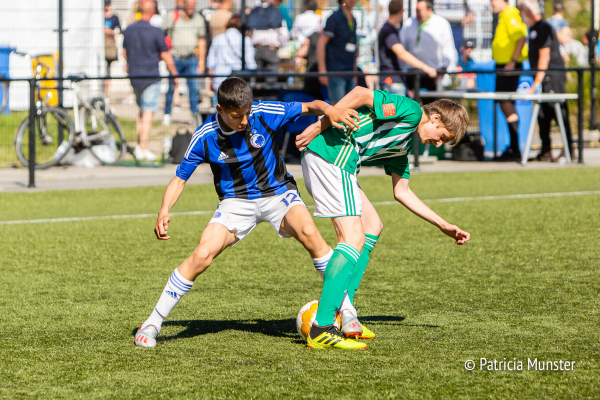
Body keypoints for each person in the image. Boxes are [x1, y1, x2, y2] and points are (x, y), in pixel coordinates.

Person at [134, 77, 366, 350]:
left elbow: (310, 105)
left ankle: (348, 311)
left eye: (246, 112)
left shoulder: (263, 112)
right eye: (236, 116)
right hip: (235, 203)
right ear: (220, 109)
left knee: (309, 232)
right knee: (202, 254)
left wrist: (331, 110)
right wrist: (164, 209)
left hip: (278, 193)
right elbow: (180, 178)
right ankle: (152, 322)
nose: (244, 120)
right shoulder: (205, 135)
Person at [295, 86, 470, 348]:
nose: (438, 143)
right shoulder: (410, 111)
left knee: (372, 226)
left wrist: (443, 225)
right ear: (435, 119)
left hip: (339, 165)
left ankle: (347, 312)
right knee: (352, 237)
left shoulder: (403, 144)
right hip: (331, 157)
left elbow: (403, 192)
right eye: (443, 136)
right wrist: (323, 124)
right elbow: (361, 94)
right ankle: (322, 326)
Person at [122, 0, 179, 161]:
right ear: (153, 10)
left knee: (141, 111)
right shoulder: (156, 32)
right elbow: (165, 55)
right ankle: (143, 148)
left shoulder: (129, 29)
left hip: (134, 76)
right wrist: (175, 75)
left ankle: (140, 146)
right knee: (148, 112)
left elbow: (125, 53)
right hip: (151, 77)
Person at [518, 0, 574, 162]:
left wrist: (536, 83)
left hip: (552, 77)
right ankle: (546, 150)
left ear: (529, 12)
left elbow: (544, 57)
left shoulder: (544, 28)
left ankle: (569, 150)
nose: (521, 15)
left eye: (522, 11)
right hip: (543, 78)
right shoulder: (533, 29)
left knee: (558, 111)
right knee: (543, 115)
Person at [490, 0, 527, 161]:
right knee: (504, 103)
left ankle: (515, 148)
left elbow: (521, 37)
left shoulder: (510, 13)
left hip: (509, 67)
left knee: (506, 102)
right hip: (503, 66)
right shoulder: (503, 16)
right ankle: (513, 146)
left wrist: (512, 61)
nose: (491, 3)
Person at [399, 0, 458, 101]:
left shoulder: (441, 24)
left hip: (432, 75)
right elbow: (400, 45)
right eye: (416, 10)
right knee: (411, 110)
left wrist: (443, 70)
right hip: (413, 74)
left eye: (420, 10)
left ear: (429, 10)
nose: (417, 13)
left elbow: (449, 49)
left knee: (431, 109)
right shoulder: (409, 23)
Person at [162, 0, 208, 126]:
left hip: (191, 58)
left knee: (193, 89)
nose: (191, 8)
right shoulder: (173, 16)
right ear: (183, 4)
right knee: (171, 86)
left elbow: (202, 40)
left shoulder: (199, 19)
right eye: (189, 5)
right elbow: (162, 35)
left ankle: (195, 116)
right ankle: (167, 113)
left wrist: (202, 62)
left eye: (193, 5)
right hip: (175, 58)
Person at [379, 0, 437, 96]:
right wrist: (426, 68)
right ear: (402, 11)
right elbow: (401, 53)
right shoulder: (389, 31)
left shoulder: (392, 29)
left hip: (395, 80)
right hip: (392, 81)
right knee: (401, 110)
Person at [206, 15, 257, 104]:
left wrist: (209, 82)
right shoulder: (245, 40)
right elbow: (251, 64)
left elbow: (210, 63)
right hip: (238, 85)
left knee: (218, 114)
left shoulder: (217, 39)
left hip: (219, 82)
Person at [317, 0, 358, 104]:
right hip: (336, 73)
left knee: (352, 109)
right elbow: (321, 43)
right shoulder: (334, 18)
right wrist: (322, 71)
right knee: (338, 110)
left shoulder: (353, 19)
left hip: (349, 72)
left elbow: (355, 46)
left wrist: (355, 71)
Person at [247, 0, 289, 77]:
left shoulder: (254, 12)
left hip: (257, 49)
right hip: (271, 49)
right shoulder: (275, 11)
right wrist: (280, 45)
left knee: (259, 80)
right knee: (271, 81)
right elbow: (284, 34)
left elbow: (250, 33)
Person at [104, 0, 121, 96]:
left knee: (108, 72)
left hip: (110, 47)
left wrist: (109, 32)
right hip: (100, 48)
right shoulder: (98, 16)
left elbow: (119, 30)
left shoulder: (114, 17)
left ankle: (106, 94)